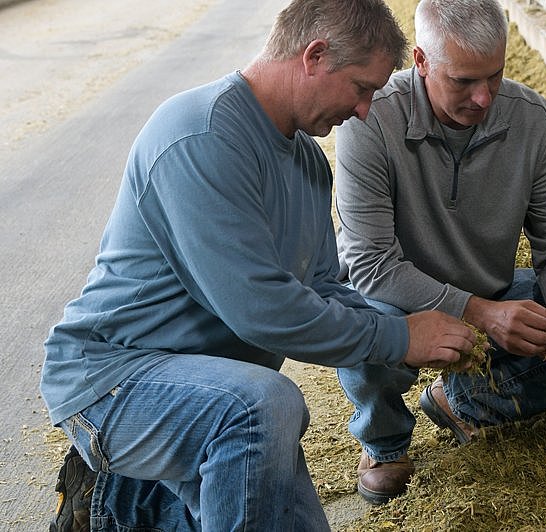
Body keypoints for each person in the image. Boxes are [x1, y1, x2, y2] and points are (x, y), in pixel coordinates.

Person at [40, 1, 479, 530]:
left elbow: (322, 287)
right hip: (114, 380)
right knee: (266, 405)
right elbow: (263, 309)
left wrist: (401, 338)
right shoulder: (201, 134)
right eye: (362, 88)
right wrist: (399, 337)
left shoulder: (308, 161)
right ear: (314, 56)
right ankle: (123, 496)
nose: (364, 110)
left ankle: (124, 506)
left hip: (215, 392)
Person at [334, 0, 546, 506]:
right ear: (420, 61)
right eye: (462, 81)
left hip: (495, 289)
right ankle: (385, 444)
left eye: (494, 75)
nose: (483, 97)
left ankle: (464, 402)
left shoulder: (535, 121)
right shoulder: (370, 120)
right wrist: (480, 313)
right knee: (360, 327)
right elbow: (369, 265)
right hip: (400, 296)